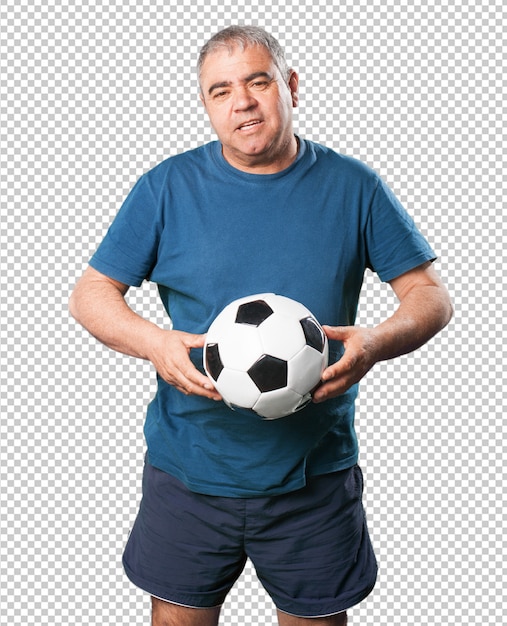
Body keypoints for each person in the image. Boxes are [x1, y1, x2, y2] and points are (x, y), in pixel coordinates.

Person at [69, 25, 453, 626]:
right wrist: (153, 343)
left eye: (257, 81)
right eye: (220, 91)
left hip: (315, 475)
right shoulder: (165, 187)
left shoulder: (355, 187)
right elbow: (92, 292)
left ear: (290, 86)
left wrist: (375, 341)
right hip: (189, 466)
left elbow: (429, 295)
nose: (241, 102)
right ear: (207, 106)